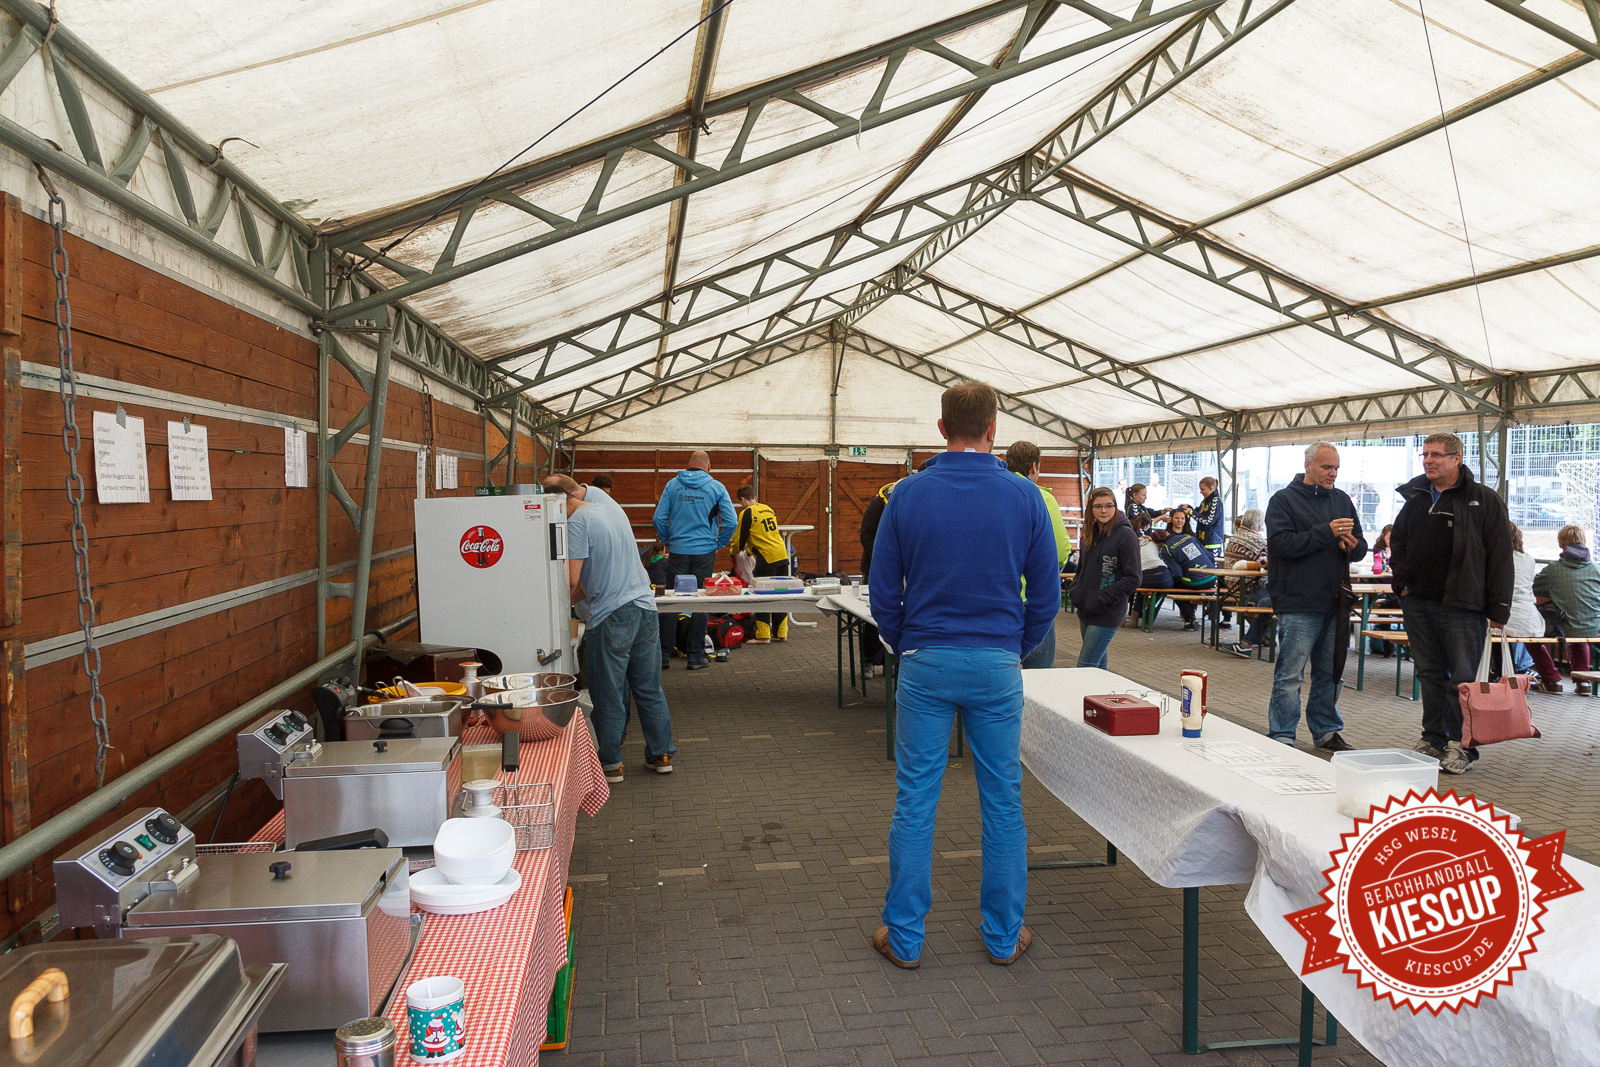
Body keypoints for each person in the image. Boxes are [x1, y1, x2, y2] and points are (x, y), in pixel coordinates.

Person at [869, 381, 1056, 970]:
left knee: (915, 797)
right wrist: (1014, 647)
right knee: (1002, 800)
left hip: (925, 660)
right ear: (993, 428)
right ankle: (1003, 936)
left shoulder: (906, 495)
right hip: (997, 662)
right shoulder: (1025, 497)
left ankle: (905, 937)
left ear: (942, 426)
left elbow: (882, 590)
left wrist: (905, 641)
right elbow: (1046, 596)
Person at [1389, 431, 1512, 774]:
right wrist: (1402, 584)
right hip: (1418, 602)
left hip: (1462, 605)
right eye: (1425, 454)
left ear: (1456, 458)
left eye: (1436, 455)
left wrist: (1499, 607)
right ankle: (1433, 738)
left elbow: (1501, 556)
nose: (1428, 460)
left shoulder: (1482, 499)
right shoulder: (1416, 497)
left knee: (1462, 680)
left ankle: (1463, 746)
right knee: (1429, 674)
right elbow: (1398, 542)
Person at [545, 477, 674, 784]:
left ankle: (611, 762)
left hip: (612, 615)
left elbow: (572, 580)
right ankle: (661, 755)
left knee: (609, 692)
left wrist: (553, 606)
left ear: (559, 502)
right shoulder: (612, 511)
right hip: (645, 609)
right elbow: (601, 571)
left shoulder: (577, 523)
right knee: (649, 688)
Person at [1264, 442, 1367, 751]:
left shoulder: (1342, 500)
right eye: (1326, 467)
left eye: (1336, 468)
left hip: (1336, 601)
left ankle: (1326, 730)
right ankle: (1282, 732)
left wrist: (1352, 545)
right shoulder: (1283, 501)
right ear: (1307, 465)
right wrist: (1327, 532)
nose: (1333, 473)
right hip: (1298, 601)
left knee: (1330, 673)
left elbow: (1360, 546)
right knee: (1290, 674)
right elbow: (1281, 545)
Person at [652, 451, 737, 671]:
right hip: (705, 551)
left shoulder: (673, 485)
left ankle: (663, 656)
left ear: (688, 464)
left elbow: (658, 518)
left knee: (672, 599)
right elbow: (731, 521)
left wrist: (668, 540)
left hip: (678, 550)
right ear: (709, 467)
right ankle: (695, 656)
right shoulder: (717, 487)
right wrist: (719, 543)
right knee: (701, 601)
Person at [1004, 441, 1072, 668]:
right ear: (1034, 467)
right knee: (1039, 674)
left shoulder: (995, 493)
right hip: (1034, 599)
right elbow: (1060, 551)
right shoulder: (1042, 497)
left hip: (1002, 600)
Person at [1070, 487, 1140, 668]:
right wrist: (1076, 592)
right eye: (1098, 506)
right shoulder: (1090, 533)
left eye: (1109, 506)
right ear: (1091, 509)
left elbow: (1133, 578)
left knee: (1085, 666)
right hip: (1086, 608)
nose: (1104, 510)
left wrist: (1104, 598)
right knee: (1097, 666)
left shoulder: (1125, 535)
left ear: (1115, 507)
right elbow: (1081, 569)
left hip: (1107, 612)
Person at [1532, 525, 1600, 696]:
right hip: (1595, 627)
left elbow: (1533, 586)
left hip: (1565, 628)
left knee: (1529, 636)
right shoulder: (1596, 569)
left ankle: (1551, 680)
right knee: (1579, 635)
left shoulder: (1553, 570)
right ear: (1584, 541)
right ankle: (1583, 682)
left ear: (1561, 543)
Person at [734, 484, 791, 643]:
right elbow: (764, 535)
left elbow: (740, 538)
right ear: (755, 497)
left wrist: (734, 551)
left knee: (762, 595)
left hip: (766, 558)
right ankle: (782, 633)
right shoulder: (768, 509)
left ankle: (764, 635)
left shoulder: (747, 512)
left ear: (743, 500)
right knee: (780, 594)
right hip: (782, 554)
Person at [1505, 523, 1556, 692]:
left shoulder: (1495, 558)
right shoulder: (1528, 559)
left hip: (1504, 616)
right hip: (1529, 617)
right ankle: (1552, 679)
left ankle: (1504, 674)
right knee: (1532, 640)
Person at [1222, 508, 1271, 658]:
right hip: (1248, 587)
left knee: (1267, 603)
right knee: (1267, 601)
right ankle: (1264, 637)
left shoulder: (1234, 538)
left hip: (1231, 586)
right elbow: (1266, 566)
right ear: (1259, 525)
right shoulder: (1259, 541)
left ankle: (1258, 639)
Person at [1160, 508, 1216, 630]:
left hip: (1195, 580)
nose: (1180, 520)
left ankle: (1189, 618)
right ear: (1171, 519)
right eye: (1177, 518)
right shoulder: (1190, 537)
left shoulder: (1166, 547)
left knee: (1175, 586)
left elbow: (1178, 573)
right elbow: (1210, 557)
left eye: (1182, 518)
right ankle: (1190, 619)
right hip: (1211, 577)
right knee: (1186, 584)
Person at [1194, 476, 1224, 554]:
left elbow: (1208, 521)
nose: (1200, 492)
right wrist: (1189, 508)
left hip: (1212, 544)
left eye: (1202, 489)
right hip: (1203, 541)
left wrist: (1191, 513)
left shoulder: (1215, 501)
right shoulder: (1206, 500)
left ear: (1210, 488)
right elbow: (1199, 512)